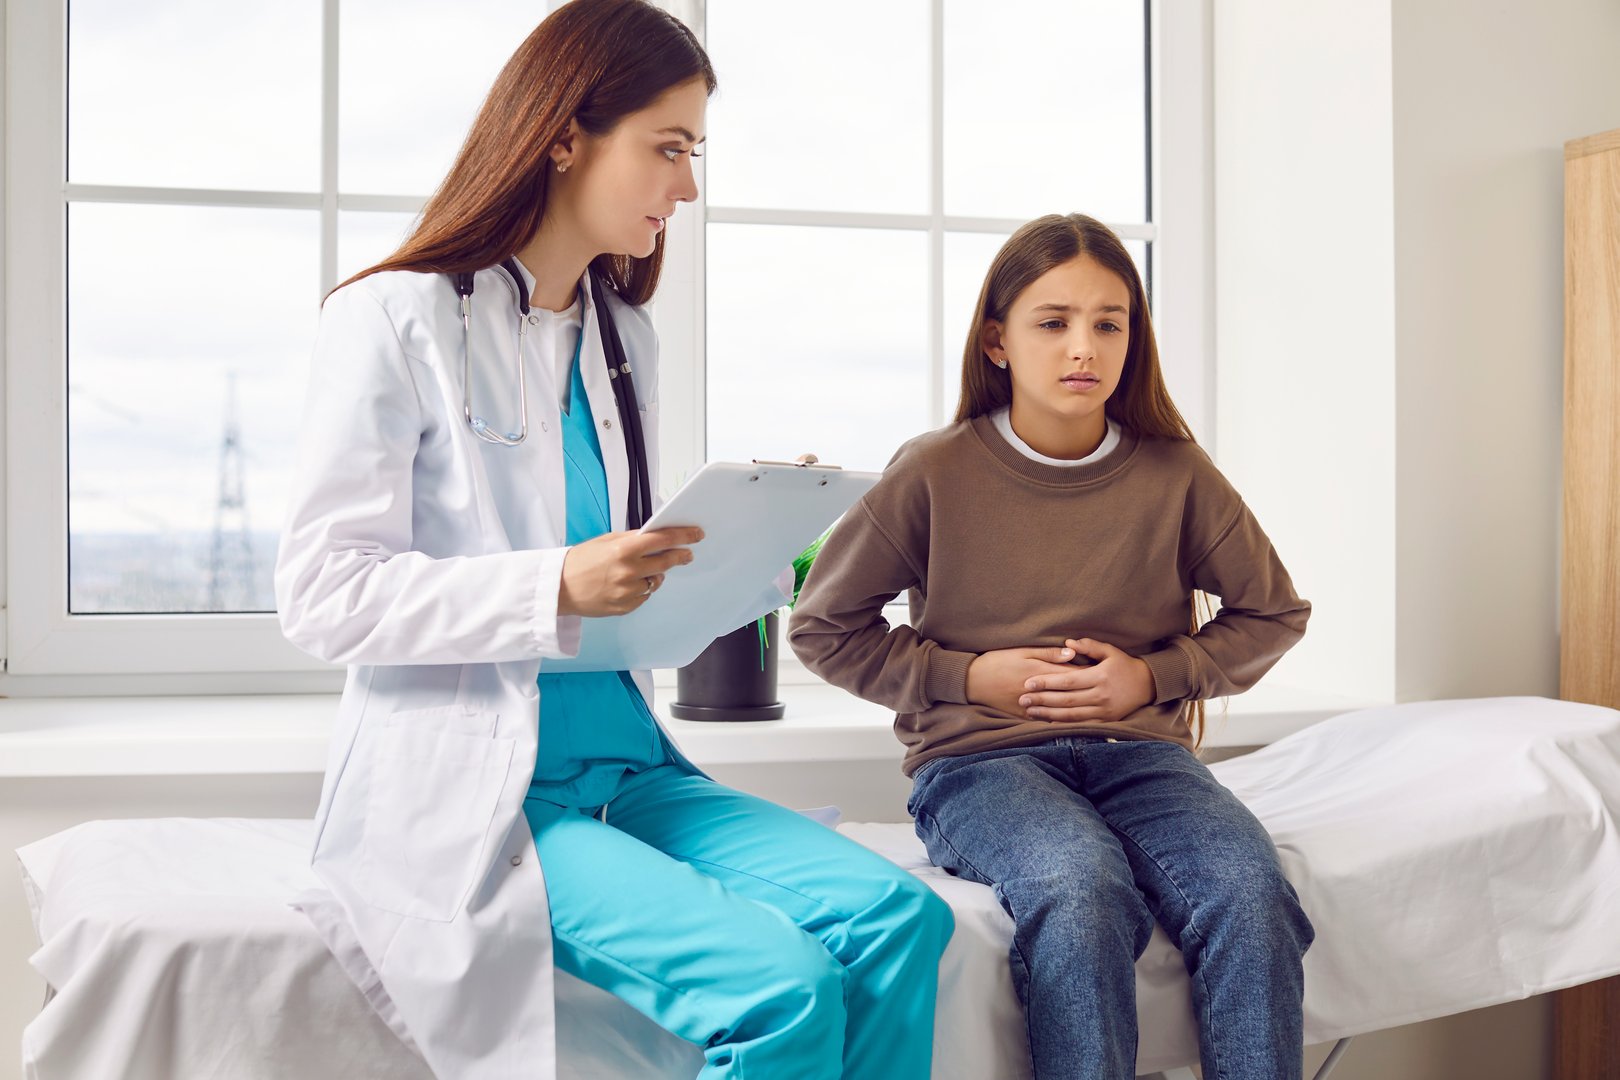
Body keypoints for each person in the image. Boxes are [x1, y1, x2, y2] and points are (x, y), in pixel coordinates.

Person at [273, 2, 951, 1077]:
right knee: (781, 988)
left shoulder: (623, 338)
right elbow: (322, 593)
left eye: (696, 153)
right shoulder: (393, 319)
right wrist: (554, 584)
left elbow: (629, 599)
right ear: (563, 135)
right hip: (482, 788)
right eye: (669, 149)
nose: (687, 186)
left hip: (626, 762)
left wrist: (746, 547)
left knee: (903, 923)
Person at [789, 212, 1317, 1080]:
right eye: (1054, 322)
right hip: (979, 766)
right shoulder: (932, 470)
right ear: (997, 341)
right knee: (1080, 889)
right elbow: (822, 626)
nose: (1085, 347)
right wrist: (971, 678)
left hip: (1142, 757)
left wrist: (1152, 676)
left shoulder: (1176, 475)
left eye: (1110, 323)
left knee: (1249, 891)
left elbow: (1272, 614)